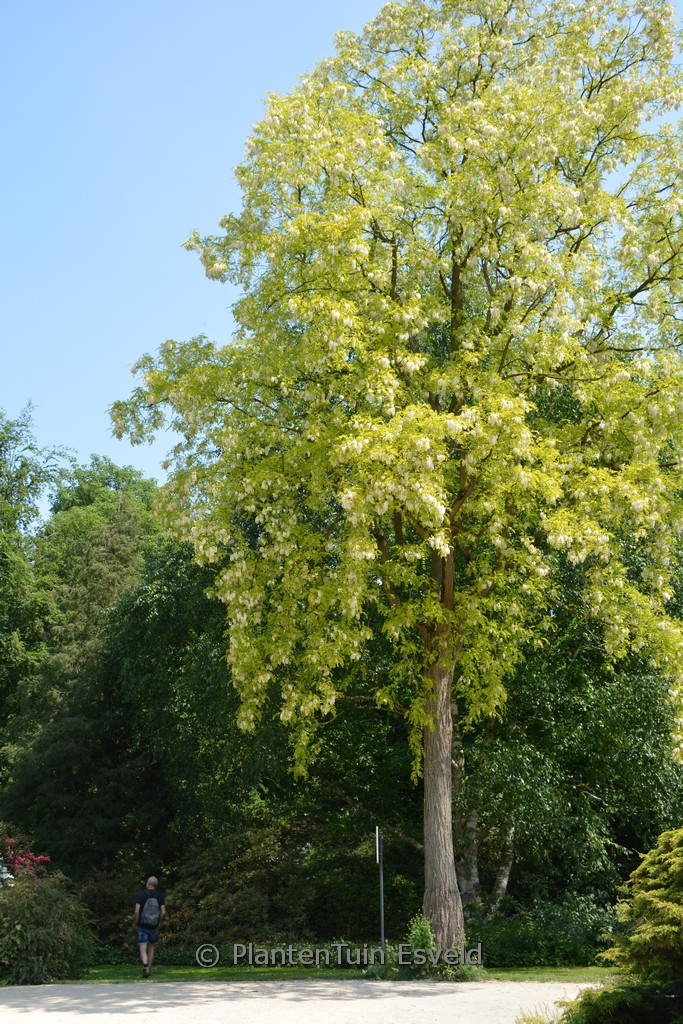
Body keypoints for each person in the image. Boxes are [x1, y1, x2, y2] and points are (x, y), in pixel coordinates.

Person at [134, 876, 166, 977]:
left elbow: (136, 911)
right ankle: (149, 968)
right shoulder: (160, 895)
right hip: (153, 926)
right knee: (151, 946)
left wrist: (137, 922)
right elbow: (163, 912)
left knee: (142, 947)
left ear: (148, 884)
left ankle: (145, 967)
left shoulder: (141, 894)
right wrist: (157, 921)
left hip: (142, 924)